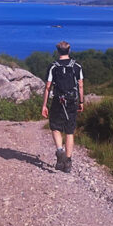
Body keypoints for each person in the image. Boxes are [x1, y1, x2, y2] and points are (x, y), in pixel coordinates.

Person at [41, 40, 84, 172]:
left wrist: (44, 105)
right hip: (71, 102)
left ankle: (60, 152)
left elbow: (48, 87)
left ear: (58, 51)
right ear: (69, 50)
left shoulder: (53, 66)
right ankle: (68, 161)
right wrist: (81, 102)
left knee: (55, 127)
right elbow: (80, 85)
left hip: (57, 102)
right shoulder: (77, 66)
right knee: (69, 131)